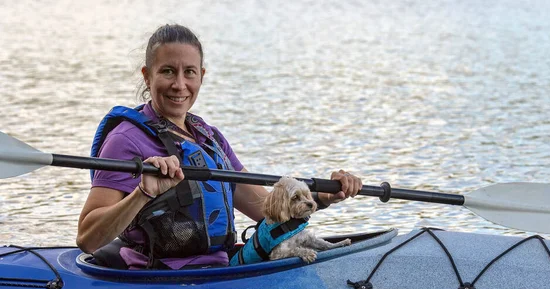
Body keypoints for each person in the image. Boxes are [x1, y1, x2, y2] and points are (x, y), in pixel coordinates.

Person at [76, 24, 362, 270]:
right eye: (167, 71)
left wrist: (322, 197)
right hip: (160, 278)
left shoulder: (209, 138)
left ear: (201, 75)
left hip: (220, 268)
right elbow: (88, 239)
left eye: (189, 72)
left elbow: (268, 210)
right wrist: (143, 192)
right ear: (147, 76)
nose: (179, 84)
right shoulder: (125, 140)